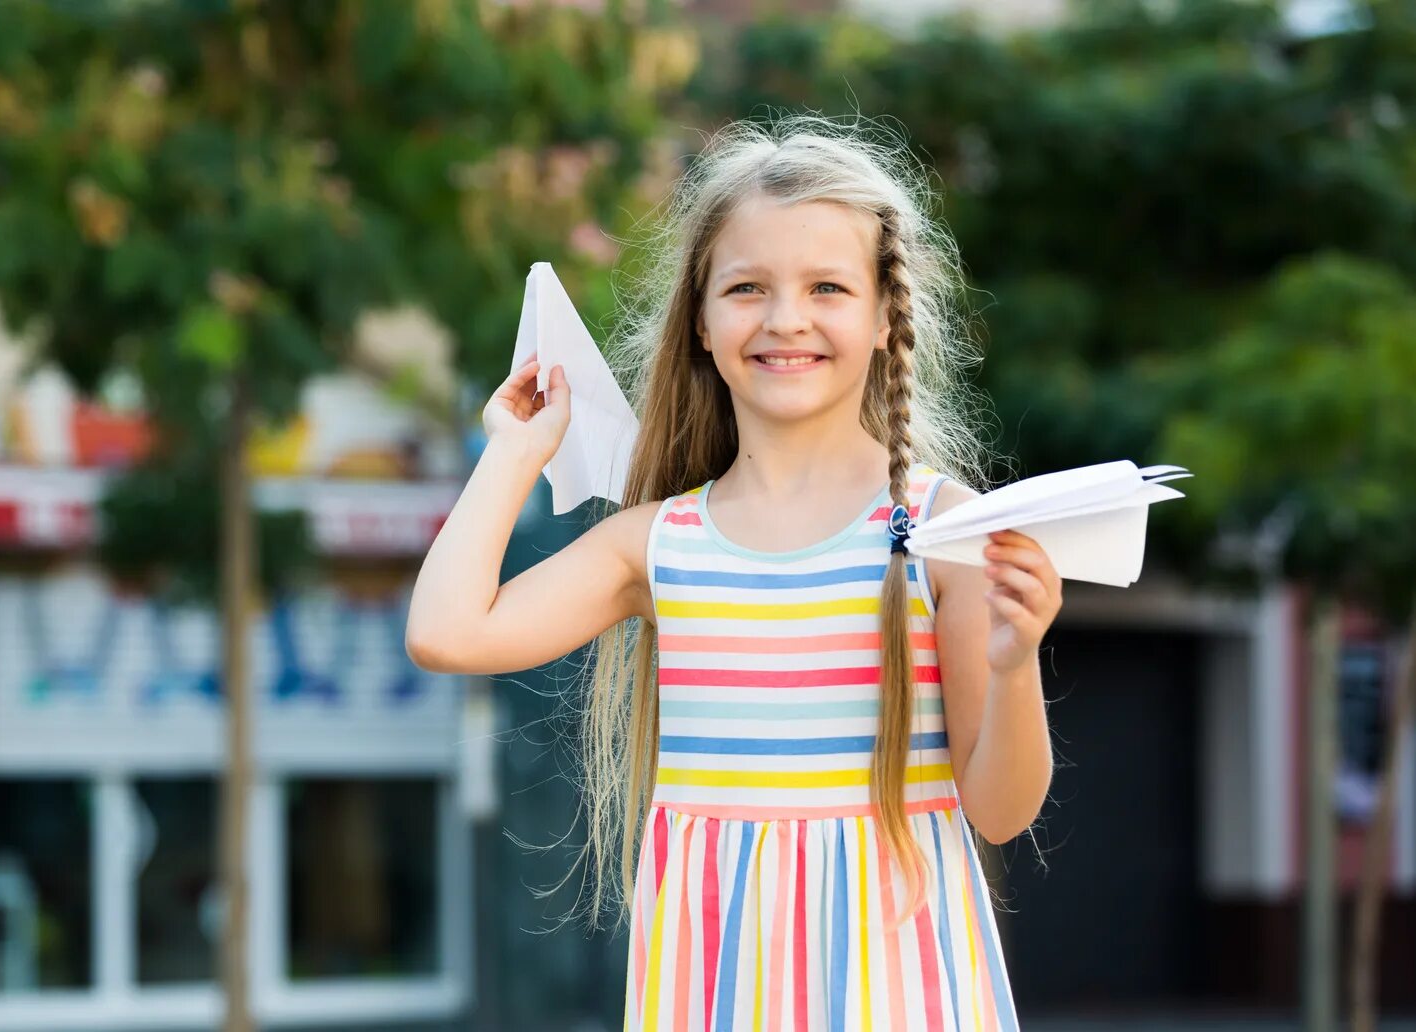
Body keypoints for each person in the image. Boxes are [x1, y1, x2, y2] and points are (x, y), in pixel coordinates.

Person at [406, 115, 1057, 1031]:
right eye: (747, 287)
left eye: (827, 287)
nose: (785, 318)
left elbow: (999, 809)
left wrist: (1016, 657)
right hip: (712, 998)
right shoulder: (656, 544)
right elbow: (445, 632)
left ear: (884, 320)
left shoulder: (942, 531)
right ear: (702, 323)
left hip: (903, 999)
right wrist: (515, 452)